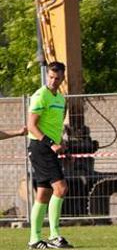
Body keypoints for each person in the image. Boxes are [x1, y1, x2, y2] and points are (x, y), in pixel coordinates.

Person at [26, 62, 72, 249]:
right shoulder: (40, 96)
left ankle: (34, 240)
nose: (53, 81)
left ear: (62, 78)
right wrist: (51, 144)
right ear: (47, 76)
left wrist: (62, 145)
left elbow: (55, 126)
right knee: (61, 188)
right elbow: (31, 126)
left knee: (43, 194)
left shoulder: (61, 99)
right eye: (51, 77)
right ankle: (54, 235)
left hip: (49, 148)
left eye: (57, 78)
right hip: (40, 147)